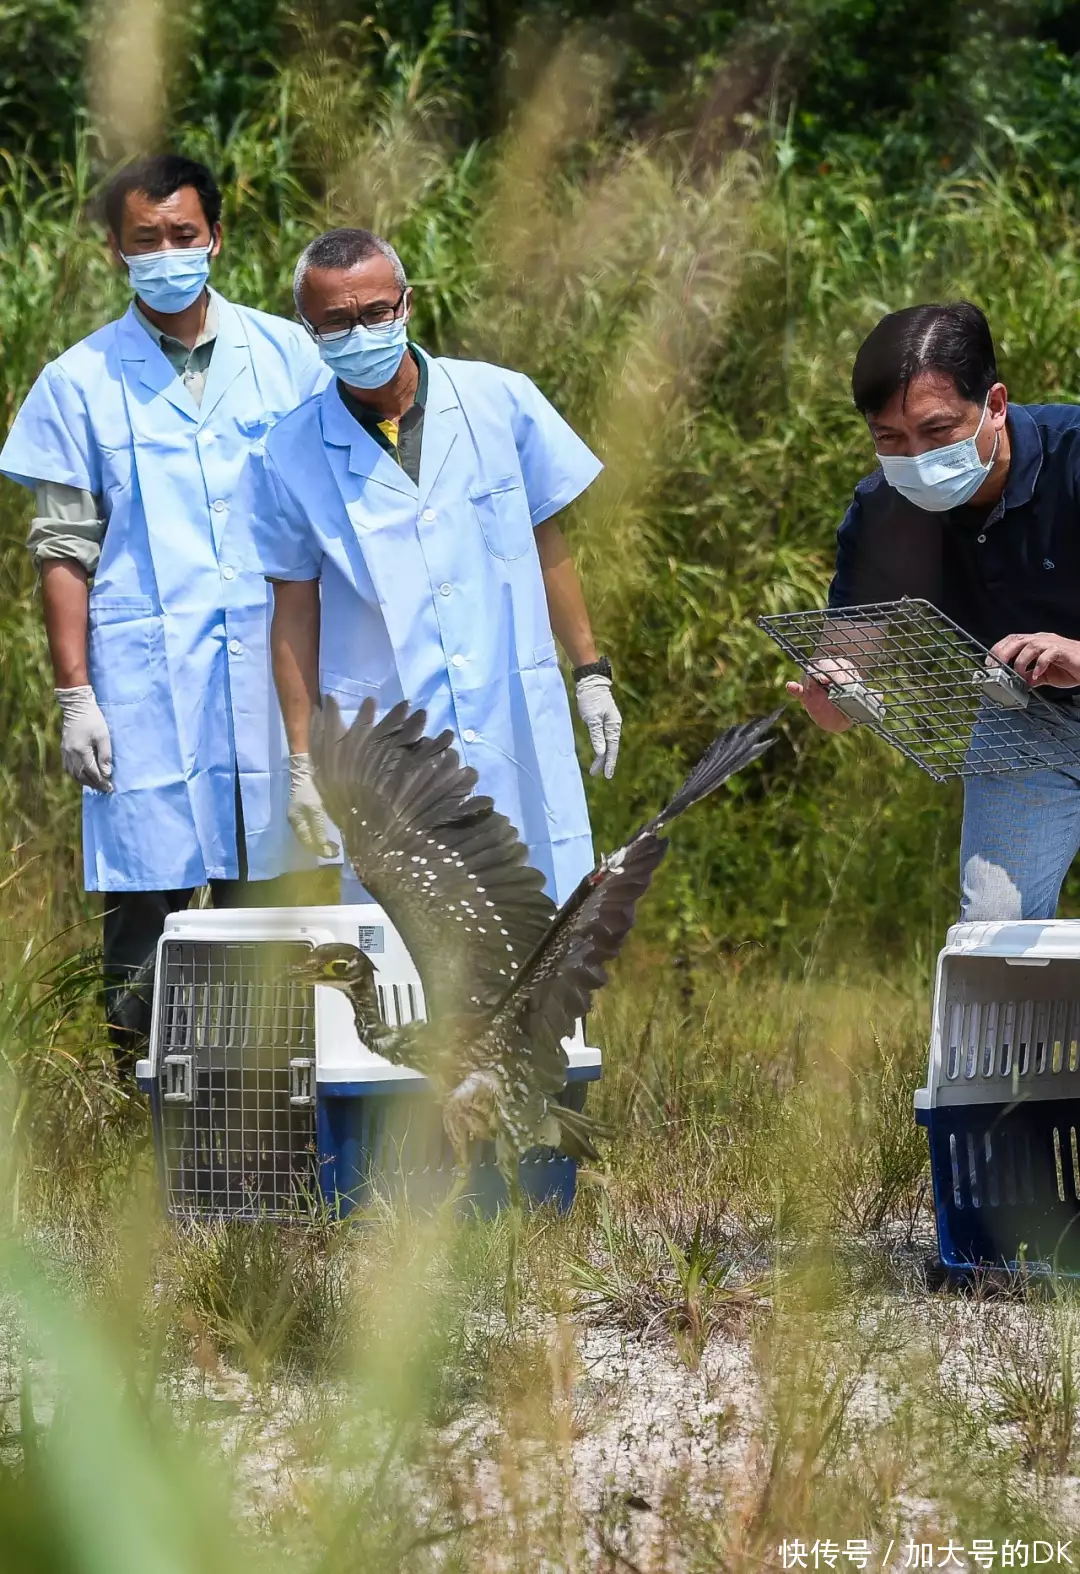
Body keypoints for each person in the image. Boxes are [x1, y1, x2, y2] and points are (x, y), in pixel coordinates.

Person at [0, 153, 329, 1058]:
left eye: (184, 236)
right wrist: (77, 697)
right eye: (146, 240)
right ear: (117, 250)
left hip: (275, 671)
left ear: (215, 238)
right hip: (144, 679)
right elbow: (64, 547)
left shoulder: (288, 356)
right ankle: (143, 1124)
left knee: (272, 907)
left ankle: (271, 1116)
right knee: (144, 919)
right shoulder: (80, 379)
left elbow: (333, 515)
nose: (168, 254)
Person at [242, 226, 622, 905]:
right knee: (412, 946)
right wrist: (301, 761)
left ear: (406, 304)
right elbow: (293, 609)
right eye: (335, 323)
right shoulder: (287, 453)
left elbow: (547, 541)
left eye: (375, 313)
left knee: (548, 932)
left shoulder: (499, 401)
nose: (359, 333)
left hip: (511, 708)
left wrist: (590, 671)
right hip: (390, 730)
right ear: (309, 330)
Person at [789, 299, 1080, 922]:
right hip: (1028, 720)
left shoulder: (1074, 456)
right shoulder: (883, 513)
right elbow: (845, 654)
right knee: (993, 932)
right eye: (889, 438)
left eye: (938, 431)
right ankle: (1012, 1024)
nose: (916, 457)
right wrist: (834, 694)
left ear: (995, 406)